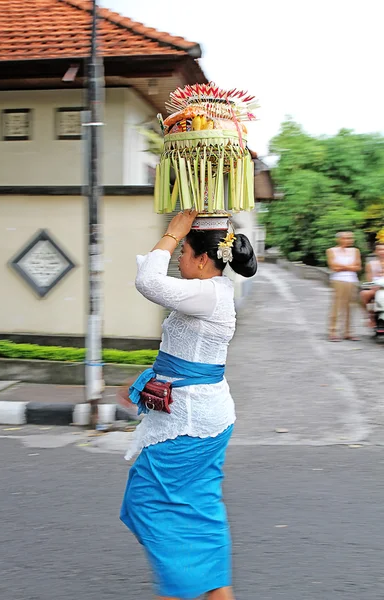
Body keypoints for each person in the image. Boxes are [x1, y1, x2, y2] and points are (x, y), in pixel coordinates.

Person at [120, 209, 257, 600]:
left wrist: (171, 231)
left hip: (192, 421)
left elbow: (147, 281)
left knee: (150, 502)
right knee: (196, 509)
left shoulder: (207, 293)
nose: (177, 258)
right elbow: (181, 352)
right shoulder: (210, 293)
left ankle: (181, 587)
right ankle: (214, 591)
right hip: (201, 415)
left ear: (201, 259)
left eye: (183, 251)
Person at [326, 231, 361, 341]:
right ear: (339, 239)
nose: (349, 240)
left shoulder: (355, 251)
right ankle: (333, 331)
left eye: (350, 238)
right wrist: (350, 266)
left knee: (351, 306)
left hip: (352, 280)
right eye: (346, 238)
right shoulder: (331, 251)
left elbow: (358, 267)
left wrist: (343, 266)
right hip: (338, 280)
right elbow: (333, 267)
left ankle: (348, 332)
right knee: (337, 306)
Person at [360, 242, 384, 326]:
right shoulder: (370, 265)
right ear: (375, 251)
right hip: (375, 288)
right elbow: (369, 280)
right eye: (379, 249)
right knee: (364, 294)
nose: (382, 252)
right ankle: (370, 317)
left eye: (383, 249)